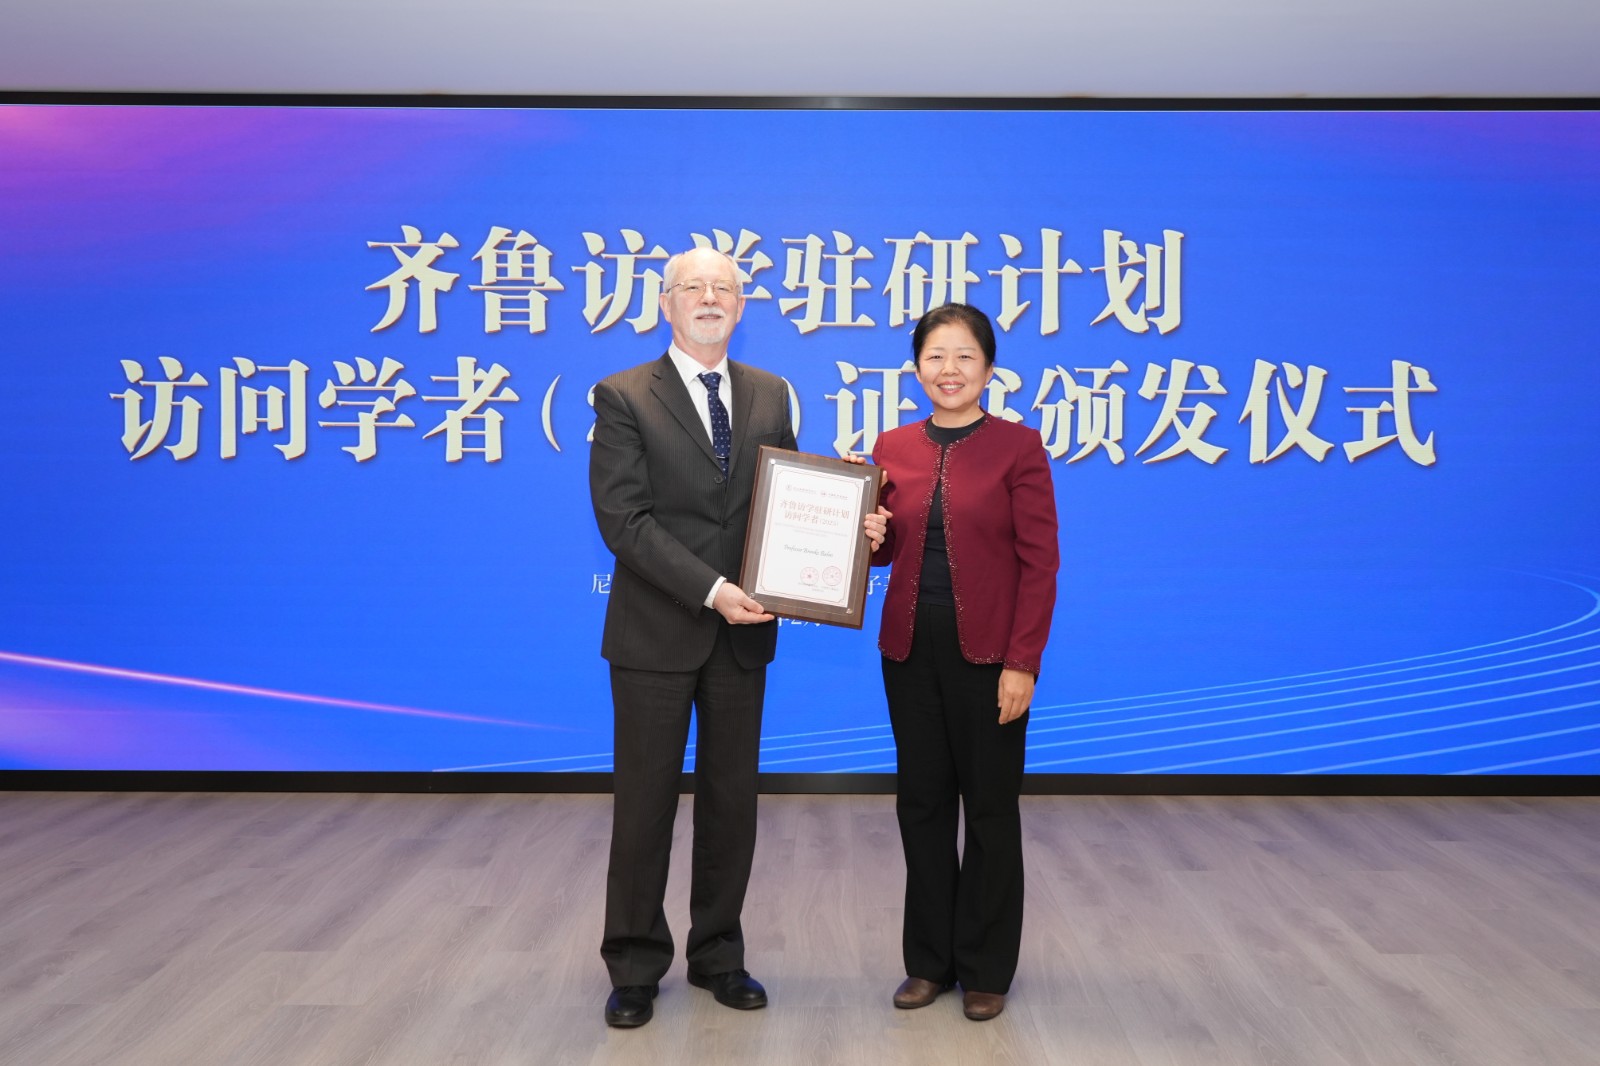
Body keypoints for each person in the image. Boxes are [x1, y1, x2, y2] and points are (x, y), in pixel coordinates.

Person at [589, 246, 884, 1028]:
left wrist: (849, 515)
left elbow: (778, 503)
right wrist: (714, 591)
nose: (709, 297)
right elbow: (624, 521)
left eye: (724, 286)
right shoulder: (624, 395)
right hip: (656, 635)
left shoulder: (769, 393)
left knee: (731, 805)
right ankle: (634, 966)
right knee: (644, 807)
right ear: (666, 303)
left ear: (742, 305)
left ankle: (719, 955)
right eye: (693, 286)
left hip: (742, 637)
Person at [868, 302, 1059, 1022]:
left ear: (989, 367)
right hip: (908, 650)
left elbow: (1040, 565)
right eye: (935, 357)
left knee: (989, 810)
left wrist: (1023, 662)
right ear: (916, 368)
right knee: (920, 805)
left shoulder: (1018, 447)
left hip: (990, 658)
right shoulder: (892, 445)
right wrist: (870, 533)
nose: (949, 370)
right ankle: (929, 963)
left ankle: (985, 969)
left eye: (964, 357)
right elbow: (885, 553)